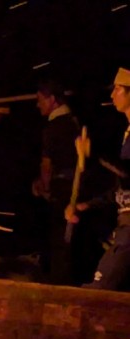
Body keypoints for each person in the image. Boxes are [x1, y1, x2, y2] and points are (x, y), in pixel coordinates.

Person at [67, 67, 130, 291]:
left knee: (99, 291)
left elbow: (127, 173)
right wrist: (87, 205)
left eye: (118, 89)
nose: (112, 95)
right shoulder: (127, 134)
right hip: (124, 226)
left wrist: (94, 153)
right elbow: (122, 186)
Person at [31, 79, 81, 285]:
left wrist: (45, 187)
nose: (38, 105)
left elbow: (47, 164)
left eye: (40, 100)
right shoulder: (75, 122)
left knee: (58, 239)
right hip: (77, 187)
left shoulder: (53, 128)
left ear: (52, 99)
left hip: (61, 189)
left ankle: (56, 282)